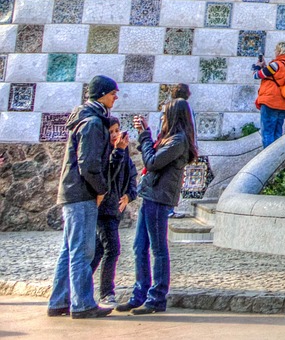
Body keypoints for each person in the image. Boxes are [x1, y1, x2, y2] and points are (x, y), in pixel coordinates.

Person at [49, 75, 117, 318]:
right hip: (81, 194)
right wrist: (101, 189)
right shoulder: (92, 123)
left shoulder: (85, 119)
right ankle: (82, 304)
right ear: (101, 95)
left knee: (69, 250)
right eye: (112, 93)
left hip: (73, 192)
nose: (115, 97)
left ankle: (59, 301)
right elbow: (88, 164)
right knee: (82, 251)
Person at [122, 97, 193, 315]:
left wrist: (144, 136)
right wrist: (146, 134)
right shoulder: (170, 138)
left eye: (164, 113)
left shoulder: (178, 141)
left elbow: (152, 162)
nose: (162, 117)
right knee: (139, 247)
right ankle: (140, 294)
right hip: (151, 195)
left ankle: (157, 297)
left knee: (157, 248)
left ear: (172, 116)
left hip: (159, 198)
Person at [90, 117, 135, 306]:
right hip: (104, 210)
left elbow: (131, 177)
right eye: (111, 132)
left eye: (117, 130)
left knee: (99, 251)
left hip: (115, 210)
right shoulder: (105, 153)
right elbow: (110, 174)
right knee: (112, 249)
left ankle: (76, 287)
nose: (116, 135)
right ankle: (106, 293)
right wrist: (118, 151)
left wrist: (128, 196)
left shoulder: (124, 154)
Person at [253, 42, 285, 148]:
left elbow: (257, 75)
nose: (275, 52)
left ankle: (269, 161)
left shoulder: (276, 64)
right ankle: (278, 158)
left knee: (267, 133)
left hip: (270, 102)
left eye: (275, 50)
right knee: (278, 133)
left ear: (279, 51)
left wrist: (257, 67)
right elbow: (277, 76)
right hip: (284, 104)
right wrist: (265, 66)